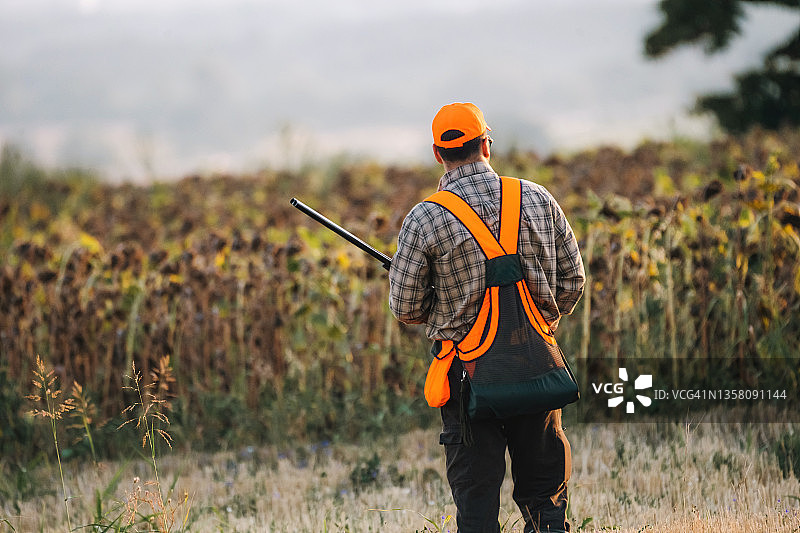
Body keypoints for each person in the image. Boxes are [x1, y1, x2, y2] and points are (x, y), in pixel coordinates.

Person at [389, 102, 585, 532]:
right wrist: (536, 325)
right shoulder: (537, 198)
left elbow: (405, 308)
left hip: (468, 378)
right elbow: (573, 281)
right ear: (487, 144)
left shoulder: (425, 218)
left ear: (438, 154)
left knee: (476, 507)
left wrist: (442, 306)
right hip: (538, 367)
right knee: (545, 498)